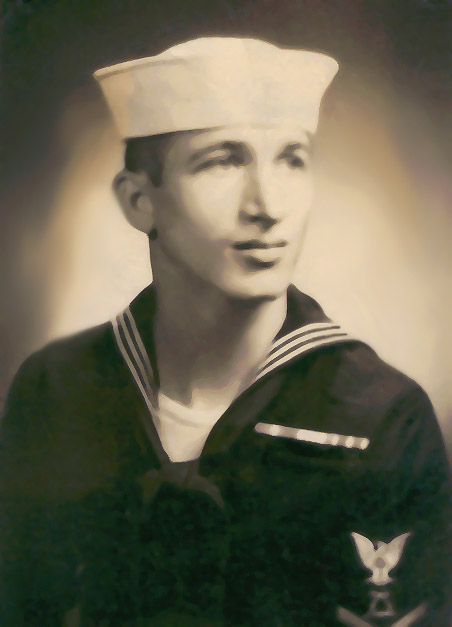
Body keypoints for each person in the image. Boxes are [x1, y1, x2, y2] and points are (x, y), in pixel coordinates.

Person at [0, 36, 451, 627]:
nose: (267, 205)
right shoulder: (56, 389)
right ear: (139, 201)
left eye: (292, 158)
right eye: (222, 161)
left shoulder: (383, 418)